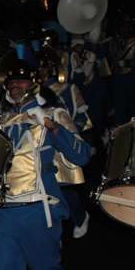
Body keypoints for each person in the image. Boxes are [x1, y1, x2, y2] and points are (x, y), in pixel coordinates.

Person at [0, 45, 89, 270]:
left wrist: (51, 125)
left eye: (21, 79)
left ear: (34, 82)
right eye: (10, 80)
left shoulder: (54, 113)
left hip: (38, 206)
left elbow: (83, 155)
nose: (14, 84)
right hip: (4, 209)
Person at [34, 44, 93, 239]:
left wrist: (67, 133)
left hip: (61, 143)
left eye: (43, 68)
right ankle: (51, 234)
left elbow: (81, 117)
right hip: (37, 146)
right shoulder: (26, 93)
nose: (40, 72)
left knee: (65, 189)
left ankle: (81, 216)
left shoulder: (66, 88)